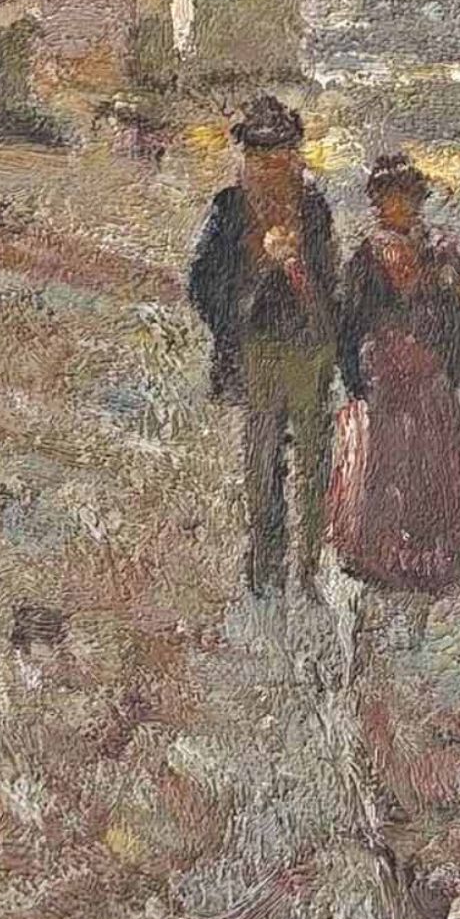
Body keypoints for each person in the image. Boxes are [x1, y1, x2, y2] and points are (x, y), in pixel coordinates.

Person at [185, 93, 340, 600]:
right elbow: (202, 284)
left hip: (309, 348)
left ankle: (310, 564)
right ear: (248, 158)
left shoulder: (312, 208)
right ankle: (266, 565)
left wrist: (299, 272)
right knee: (263, 459)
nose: (272, 167)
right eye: (261, 156)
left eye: (280, 155)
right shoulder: (230, 208)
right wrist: (255, 271)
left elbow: (332, 283)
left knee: (315, 459)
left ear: (294, 155)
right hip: (256, 349)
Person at [330, 150, 460, 624]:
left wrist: (458, 362)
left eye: (405, 198)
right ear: (377, 204)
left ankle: (434, 553)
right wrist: (354, 376)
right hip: (384, 379)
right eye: (388, 199)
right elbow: (348, 321)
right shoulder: (366, 257)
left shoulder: (440, 252)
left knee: (431, 461)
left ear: (417, 202)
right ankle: (381, 552)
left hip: (427, 377)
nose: (396, 207)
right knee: (385, 461)